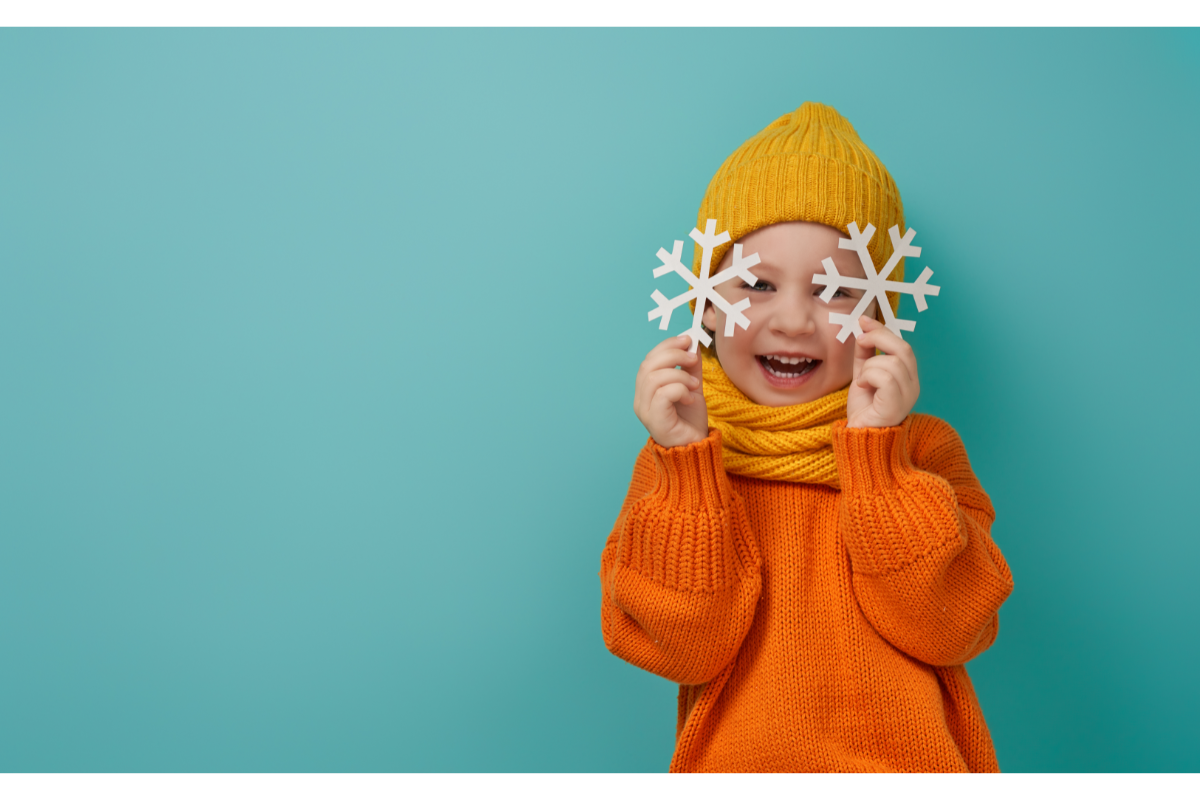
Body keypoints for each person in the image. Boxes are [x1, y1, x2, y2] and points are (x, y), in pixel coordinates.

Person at [599, 102, 1014, 772]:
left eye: (837, 291)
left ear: (883, 310)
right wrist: (686, 464)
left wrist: (878, 456)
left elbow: (953, 626)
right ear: (703, 300)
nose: (792, 320)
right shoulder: (680, 460)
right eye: (757, 285)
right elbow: (681, 648)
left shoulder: (923, 450)